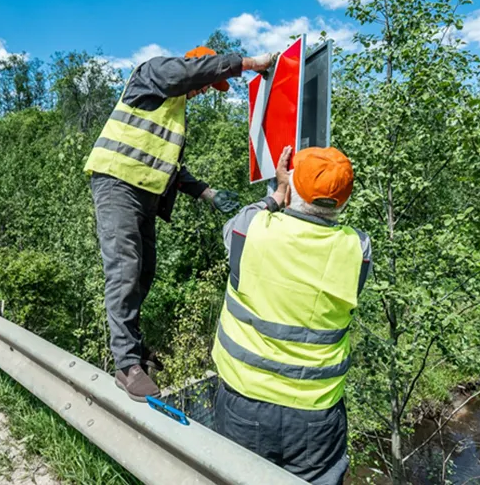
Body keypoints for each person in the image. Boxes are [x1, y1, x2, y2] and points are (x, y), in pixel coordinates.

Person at [84, 46, 279, 401]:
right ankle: (126, 365)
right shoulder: (152, 75)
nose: (205, 90)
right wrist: (249, 64)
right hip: (116, 182)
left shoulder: (174, 114)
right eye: (207, 83)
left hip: (144, 192)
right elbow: (185, 73)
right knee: (125, 269)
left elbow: (169, 165)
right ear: (194, 67)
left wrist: (208, 193)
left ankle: (136, 351)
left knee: (144, 272)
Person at [212, 145, 372, 484]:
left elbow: (238, 224)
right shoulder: (358, 248)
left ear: (294, 186)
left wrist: (279, 192)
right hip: (316, 410)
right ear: (344, 200)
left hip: (245, 398)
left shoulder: (251, 228)